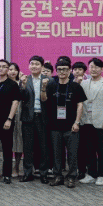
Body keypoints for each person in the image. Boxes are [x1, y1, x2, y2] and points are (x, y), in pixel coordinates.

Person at [41, 59, 85, 188]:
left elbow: (80, 105)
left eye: (65, 69)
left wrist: (77, 122)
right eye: (59, 69)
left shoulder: (75, 86)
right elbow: (44, 100)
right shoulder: (51, 86)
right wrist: (43, 87)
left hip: (71, 126)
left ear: (70, 71)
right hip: (54, 126)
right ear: (56, 71)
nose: (62, 72)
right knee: (56, 153)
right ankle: (58, 176)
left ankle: (71, 176)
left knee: (72, 153)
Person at [79, 58, 103, 186]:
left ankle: (101, 175)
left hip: (101, 122)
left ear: (102, 69)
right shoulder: (83, 83)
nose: (93, 69)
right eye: (91, 67)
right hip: (86, 121)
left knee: (102, 150)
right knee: (89, 149)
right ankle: (91, 174)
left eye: (96, 67)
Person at [19, 55, 51, 184]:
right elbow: (21, 98)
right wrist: (23, 86)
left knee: (44, 147)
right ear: (28, 66)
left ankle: (43, 173)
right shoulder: (25, 79)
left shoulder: (49, 80)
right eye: (32, 64)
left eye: (37, 64)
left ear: (42, 66)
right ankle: (27, 173)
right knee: (28, 147)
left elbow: (50, 101)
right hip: (28, 118)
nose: (34, 66)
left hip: (43, 118)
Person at [7, 63, 23, 177]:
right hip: (7, 115)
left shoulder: (22, 83)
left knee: (19, 142)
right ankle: (6, 166)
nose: (13, 72)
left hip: (20, 115)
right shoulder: (4, 83)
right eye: (10, 69)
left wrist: (23, 84)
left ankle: (16, 167)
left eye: (15, 69)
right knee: (7, 142)